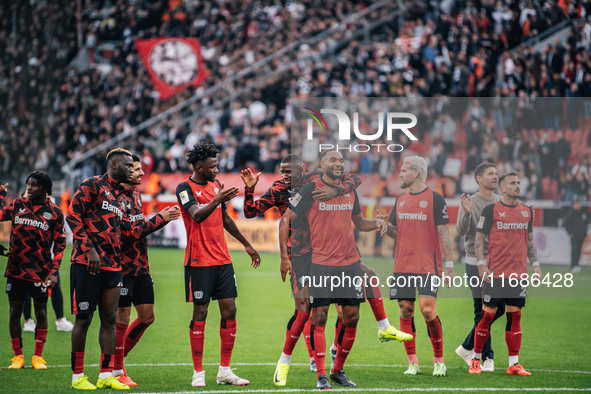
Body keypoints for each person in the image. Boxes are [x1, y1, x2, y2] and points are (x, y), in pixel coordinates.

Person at [280, 151, 389, 389]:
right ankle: (321, 375)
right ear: (322, 165)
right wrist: (284, 258)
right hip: (321, 263)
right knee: (319, 317)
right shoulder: (310, 189)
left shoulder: (349, 189)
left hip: (349, 263)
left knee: (352, 317)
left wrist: (379, 223)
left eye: (341, 160)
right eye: (333, 160)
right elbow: (285, 219)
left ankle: (338, 370)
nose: (338, 163)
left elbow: (359, 223)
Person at [176, 142, 261, 388]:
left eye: (217, 165)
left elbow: (224, 218)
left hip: (222, 259)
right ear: (199, 166)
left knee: (230, 311)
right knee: (200, 312)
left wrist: (246, 244)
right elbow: (197, 215)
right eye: (212, 166)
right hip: (198, 260)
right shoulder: (185, 188)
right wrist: (217, 198)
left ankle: (224, 370)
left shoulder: (215, 186)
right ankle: (198, 371)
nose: (216, 169)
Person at [67, 148, 136, 390]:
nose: (132, 170)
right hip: (87, 263)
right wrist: (89, 249)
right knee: (84, 319)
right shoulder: (92, 185)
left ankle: (106, 374)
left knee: (108, 319)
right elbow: (72, 216)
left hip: (113, 265)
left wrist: (157, 220)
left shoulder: (123, 197)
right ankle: (77, 377)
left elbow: (127, 231)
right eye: (129, 166)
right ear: (115, 165)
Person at [381, 155, 455, 377]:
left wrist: (449, 266)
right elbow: (395, 231)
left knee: (427, 311)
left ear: (415, 173)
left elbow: (444, 234)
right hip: (402, 265)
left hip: (427, 265)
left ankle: (439, 360)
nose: (400, 174)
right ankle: (412, 362)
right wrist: (387, 226)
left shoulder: (436, 199)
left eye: (404, 171)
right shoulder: (400, 199)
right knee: (405, 310)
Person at [113, 155, 181, 386]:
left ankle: (119, 358)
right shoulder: (116, 199)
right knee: (122, 318)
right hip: (122, 267)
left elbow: (138, 230)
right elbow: (129, 233)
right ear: (124, 171)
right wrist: (161, 219)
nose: (142, 173)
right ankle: (117, 369)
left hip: (141, 267)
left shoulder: (136, 195)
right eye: (137, 170)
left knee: (147, 317)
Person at [470, 171, 542, 376]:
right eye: (513, 183)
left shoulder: (526, 211)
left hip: (518, 274)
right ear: (502, 188)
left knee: (515, 317)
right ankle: (476, 359)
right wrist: (482, 265)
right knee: (487, 316)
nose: (518, 186)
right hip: (495, 273)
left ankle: (514, 363)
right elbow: (479, 239)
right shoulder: (491, 210)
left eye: (519, 182)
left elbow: (530, 241)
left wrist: (535, 264)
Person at [1, 172, 65, 369]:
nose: (29, 188)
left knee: (42, 313)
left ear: (45, 188)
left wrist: (54, 272)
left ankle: (38, 357)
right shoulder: (17, 205)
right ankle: (18, 357)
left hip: (40, 271)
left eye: (34, 185)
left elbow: (60, 245)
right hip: (16, 268)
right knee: (14, 312)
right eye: (28, 184)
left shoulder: (55, 212)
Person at [455, 162, 504, 372]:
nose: (495, 177)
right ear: (479, 179)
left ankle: (467, 347)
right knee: (482, 309)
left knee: (497, 308)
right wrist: (466, 213)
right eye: (491, 174)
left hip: (498, 262)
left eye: (496, 173)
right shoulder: (470, 202)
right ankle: (487, 356)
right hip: (475, 262)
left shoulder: (502, 202)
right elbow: (460, 231)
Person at [563, 199, 589, 273]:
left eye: (578, 203)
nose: (578, 205)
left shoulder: (582, 213)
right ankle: (573, 265)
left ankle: (577, 264)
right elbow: (565, 223)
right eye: (576, 203)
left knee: (579, 251)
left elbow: (585, 223)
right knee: (575, 250)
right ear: (573, 204)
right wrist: (570, 233)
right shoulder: (571, 213)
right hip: (575, 236)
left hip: (582, 235)